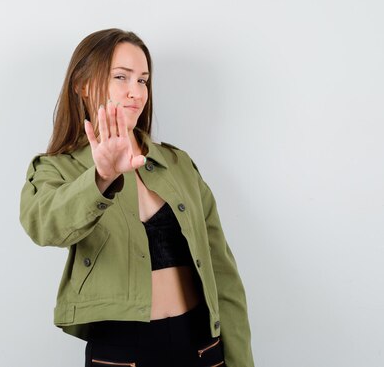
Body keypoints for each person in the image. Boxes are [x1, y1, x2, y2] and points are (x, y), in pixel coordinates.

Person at [19, 28, 254, 367]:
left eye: (143, 80)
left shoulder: (178, 164)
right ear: (82, 85)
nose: (136, 92)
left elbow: (223, 276)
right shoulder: (57, 168)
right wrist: (101, 177)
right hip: (122, 355)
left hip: (201, 346)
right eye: (121, 77)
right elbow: (43, 224)